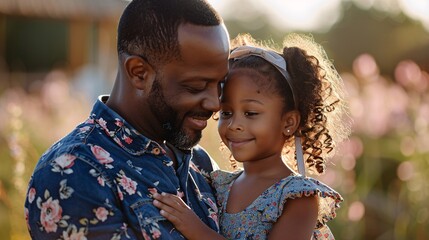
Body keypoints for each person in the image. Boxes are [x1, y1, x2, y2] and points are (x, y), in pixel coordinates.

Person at [24, 0, 230, 239]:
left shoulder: (200, 162)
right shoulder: (73, 172)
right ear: (139, 73)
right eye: (196, 86)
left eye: (221, 84)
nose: (215, 103)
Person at [152, 33, 351, 239]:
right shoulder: (219, 185)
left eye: (251, 113)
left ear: (288, 122)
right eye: (226, 113)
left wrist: (196, 229)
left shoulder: (298, 197)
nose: (235, 124)